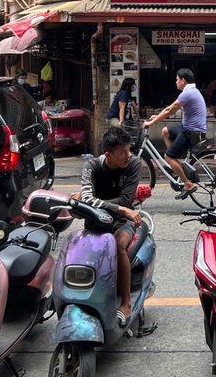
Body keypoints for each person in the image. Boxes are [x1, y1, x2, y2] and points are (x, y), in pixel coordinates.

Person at [74, 127, 142, 327]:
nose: (128, 156)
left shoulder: (134, 164)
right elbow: (86, 198)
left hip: (123, 221)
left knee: (118, 244)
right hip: (96, 220)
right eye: (123, 152)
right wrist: (118, 207)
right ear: (108, 154)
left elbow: (126, 200)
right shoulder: (91, 166)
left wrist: (95, 203)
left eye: (129, 150)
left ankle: (126, 303)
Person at [144, 68, 207, 199]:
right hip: (190, 128)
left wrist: (152, 122)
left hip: (191, 132)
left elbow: (169, 110)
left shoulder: (187, 93)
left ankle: (188, 184)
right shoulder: (192, 91)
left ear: (183, 80)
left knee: (168, 157)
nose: (176, 82)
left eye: (177, 79)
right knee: (165, 131)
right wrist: (157, 116)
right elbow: (169, 109)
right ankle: (176, 163)